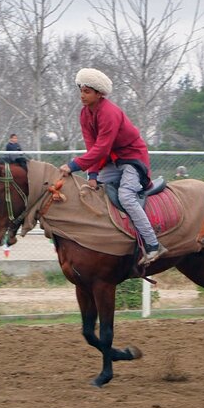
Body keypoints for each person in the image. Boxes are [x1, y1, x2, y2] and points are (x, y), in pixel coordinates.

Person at [59, 68, 168, 265]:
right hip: (113, 162)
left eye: (87, 91)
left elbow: (101, 148)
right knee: (93, 190)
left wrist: (73, 165)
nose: (82, 95)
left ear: (99, 94)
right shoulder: (84, 114)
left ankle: (153, 245)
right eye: (81, 90)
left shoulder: (109, 112)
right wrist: (92, 176)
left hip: (133, 160)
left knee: (126, 196)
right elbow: (92, 146)